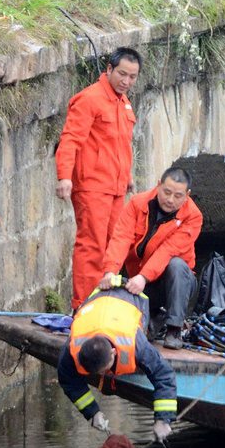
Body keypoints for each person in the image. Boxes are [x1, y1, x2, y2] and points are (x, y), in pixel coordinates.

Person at [55, 48, 141, 311]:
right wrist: (64, 177)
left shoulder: (122, 102)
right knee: (90, 247)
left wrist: (126, 176)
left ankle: (105, 303)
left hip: (114, 188)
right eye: (122, 74)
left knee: (114, 249)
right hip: (91, 186)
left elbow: (121, 144)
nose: (126, 81)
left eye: (132, 77)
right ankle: (83, 306)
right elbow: (70, 139)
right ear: (109, 69)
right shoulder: (90, 99)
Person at [57, 280, 176, 441]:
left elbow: (164, 374)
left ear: (114, 352)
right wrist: (92, 413)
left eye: (105, 369)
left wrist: (163, 419)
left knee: (150, 332)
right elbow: (67, 378)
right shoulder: (73, 347)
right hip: (97, 298)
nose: (103, 374)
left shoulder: (134, 342)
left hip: (133, 299)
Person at [100, 167, 203, 349]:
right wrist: (110, 271)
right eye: (167, 192)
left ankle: (174, 329)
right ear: (158, 185)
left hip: (176, 282)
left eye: (178, 196)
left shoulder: (193, 216)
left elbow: (168, 250)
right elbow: (121, 238)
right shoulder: (137, 203)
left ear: (187, 194)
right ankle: (153, 315)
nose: (170, 200)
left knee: (177, 265)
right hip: (140, 280)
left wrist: (143, 277)